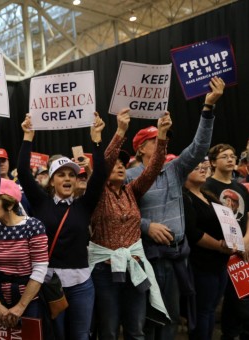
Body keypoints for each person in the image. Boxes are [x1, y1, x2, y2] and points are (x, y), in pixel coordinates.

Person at [126, 76, 225, 339]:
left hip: (177, 255)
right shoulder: (128, 177)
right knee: (149, 319)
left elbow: (200, 147)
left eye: (166, 137)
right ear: (141, 148)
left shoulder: (174, 169)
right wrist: (147, 226)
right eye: (156, 138)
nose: (164, 140)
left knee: (170, 317)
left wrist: (208, 108)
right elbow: (118, 215)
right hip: (147, 256)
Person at [17, 112, 106, 340]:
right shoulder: (40, 203)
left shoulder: (84, 205)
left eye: (71, 175)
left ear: (77, 181)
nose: (67, 178)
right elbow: (25, 174)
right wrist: (28, 137)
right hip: (49, 284)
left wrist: (96, 140)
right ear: (52, 180)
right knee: (54, 336)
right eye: (61, 174)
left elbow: (100, 177)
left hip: (81, 285)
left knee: (80, 336)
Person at [89, 109, 171, 340]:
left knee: (136, 330)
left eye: (123, 163)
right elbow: (104, 162)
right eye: (115, 163)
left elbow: (153, 168)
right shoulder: (97, 194)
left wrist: (162, 135)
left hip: (135, 268)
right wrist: (120, 131)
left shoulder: (131, 191)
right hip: (104, 272)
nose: (120, 165)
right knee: (109, 331)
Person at [183, 160, 239, 340]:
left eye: (203, 167)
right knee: (203, 311)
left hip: (219, 262)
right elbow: (194, 234)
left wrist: (233, 243)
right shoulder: (185, 197)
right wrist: (220, 247)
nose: (202, 169)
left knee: (211, 309)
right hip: (201, 263)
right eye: (196, 167)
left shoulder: (207, 195)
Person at [0, 178, 49, 328]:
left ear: (10, 204)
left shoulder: (33, 226)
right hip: (0, 301)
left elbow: (40, 270)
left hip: (29, 303)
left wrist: (20, 307)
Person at [202, 143, 249, 339]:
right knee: (232, 305)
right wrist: (234, 245)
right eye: (224, 156)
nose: (231, 159)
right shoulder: (206, 188)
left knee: (242, 304)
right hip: (220, 253)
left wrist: (246, 241)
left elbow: (248, 217)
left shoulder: (241, 188)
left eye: (233, 156)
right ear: (213, 162)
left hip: (243, 252)